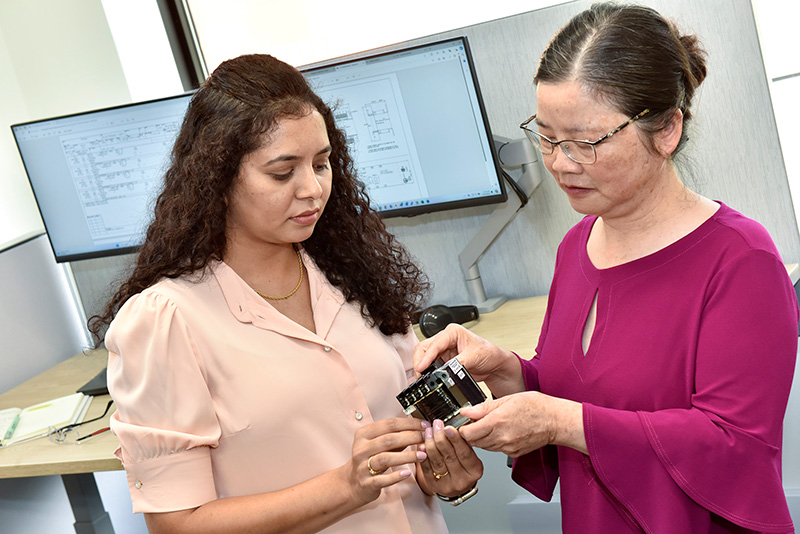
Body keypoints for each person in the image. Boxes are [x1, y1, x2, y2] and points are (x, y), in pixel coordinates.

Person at [414, 3, 798, 533]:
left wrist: (559, 422)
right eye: (546, 137)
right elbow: (587, 394)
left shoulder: (739, 259)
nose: (559, 163)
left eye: (585, 142)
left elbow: (737, 448)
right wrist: (508, 372)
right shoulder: (577, 245)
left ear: (665, 131)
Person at [88, 53, 482, 534]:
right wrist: (346, 486)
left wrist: (443, 475)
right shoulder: (166, 319)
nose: (313, 189)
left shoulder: (351, 272)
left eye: (322, 164)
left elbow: (409, 445)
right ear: (218, 179)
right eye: (282, 173)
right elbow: (177, 523)